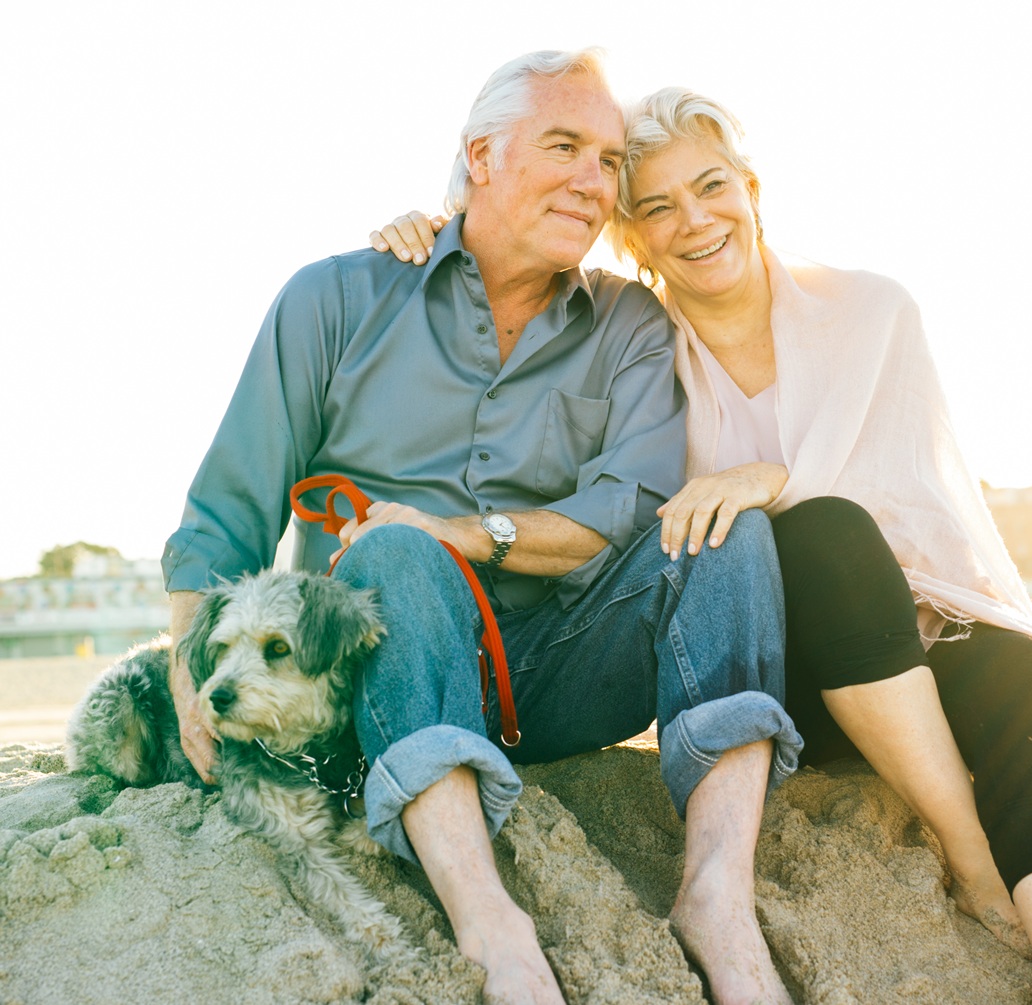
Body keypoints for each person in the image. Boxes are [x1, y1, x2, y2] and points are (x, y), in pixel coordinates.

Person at [375, 87, 1032, 1005]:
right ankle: (974, 857)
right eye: (656, 207)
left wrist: (766, 479)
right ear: (633, 240)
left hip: (911, 637)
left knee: (1017, 672)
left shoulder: (873, 313)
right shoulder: (643, 355)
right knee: (813, 540)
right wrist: (439, 231)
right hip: (778, 675)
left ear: (753, 189)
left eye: (711, 188)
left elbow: (909, 503)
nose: (693, 221)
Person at [167, 55, 803, 1005]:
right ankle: (490, 921)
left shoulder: (628, 323)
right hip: (381, 671)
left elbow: (626, 510)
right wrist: (189, 668)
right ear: (481, 157)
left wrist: (467, 532)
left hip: (557, 669)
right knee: (393, 551)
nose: (596, 181)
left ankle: (718, 893)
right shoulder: (338, 297)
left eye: (608, 160)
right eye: (565, 148)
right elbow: (227, 513)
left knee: (726, 529)